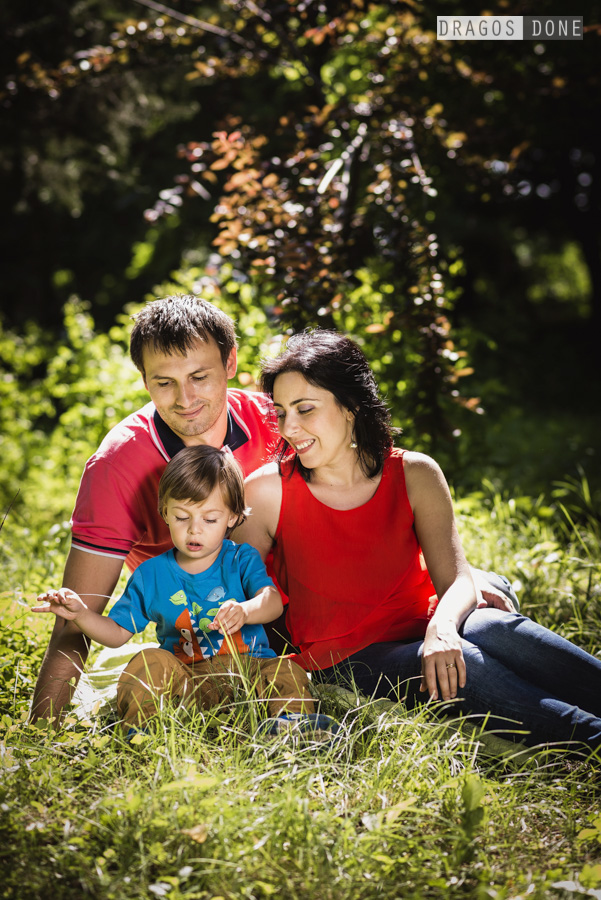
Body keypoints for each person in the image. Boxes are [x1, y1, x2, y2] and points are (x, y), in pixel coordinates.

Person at [233, 330, 601, 750]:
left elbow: (456, 579)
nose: (289, 428)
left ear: (351, 406)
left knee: (495, 627)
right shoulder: (266, 491)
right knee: (464, 665)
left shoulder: (415, 473)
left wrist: (442, 627)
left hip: (423, 623)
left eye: (305, 409)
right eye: (281, 413)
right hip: (343, 659)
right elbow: (234, 590)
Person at [31, 295, 278, 722]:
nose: (185, 398)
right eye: (165, 382)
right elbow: (77, 618)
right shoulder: (116, 466)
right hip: (190, 638)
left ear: (231, 362)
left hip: (279, 606)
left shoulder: (274, 421)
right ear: (145, 380)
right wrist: (40, 732)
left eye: (199, 376)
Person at [33, 446, 334, 738]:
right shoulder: (151, 575)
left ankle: (291, 725)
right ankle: (142, 729)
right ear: (165, 512)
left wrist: (245, 610)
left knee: (284, 669)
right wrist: (81, 615)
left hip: (249, 676)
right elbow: (116, 634)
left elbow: (272, 601)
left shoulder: (240, 559)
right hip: (187, 684)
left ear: (232, 517)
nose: (194, 529)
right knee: (148, 660)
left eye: (209, 519)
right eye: (181, 517)